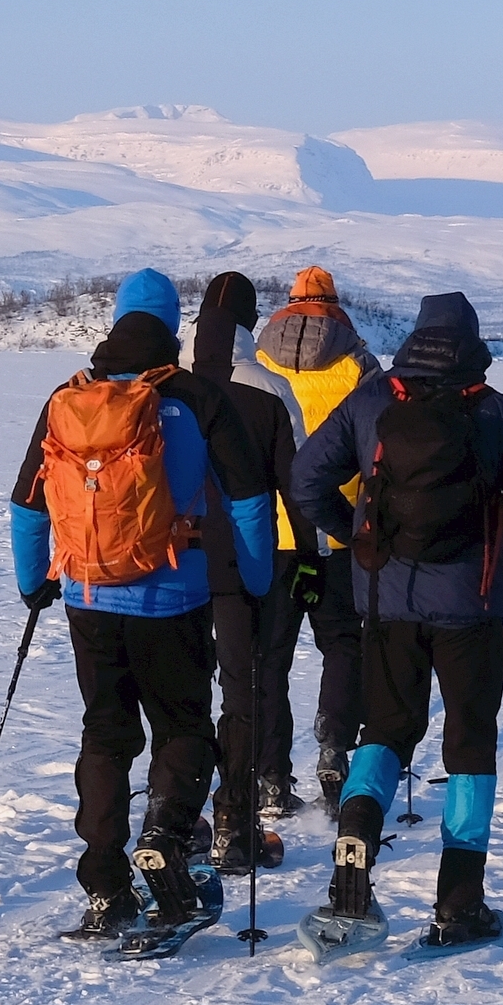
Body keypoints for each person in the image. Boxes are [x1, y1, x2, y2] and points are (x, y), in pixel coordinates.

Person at [287, 290, 503, 945]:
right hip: (472, 608)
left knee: (386, 730)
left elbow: (306, 476)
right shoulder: (496, 413)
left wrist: (359, 537)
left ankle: (353, 852)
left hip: (389, 604)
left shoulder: (373, 402)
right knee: (470, 745)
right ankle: (460, 904)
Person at [8, 268, 278, 937]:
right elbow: (249, 499)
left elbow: (26, 506)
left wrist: (34, 582)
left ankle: (105, 886)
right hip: (173, 598)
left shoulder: (67, 399)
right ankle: (164, 833)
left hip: (88, 597)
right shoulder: (197, 396)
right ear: (170, 327)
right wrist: (255, 577)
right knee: (184, 727)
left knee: (105, 734)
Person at [250, 266, 374, 816]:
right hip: (338, 530)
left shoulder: (259, 361)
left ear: (291, 303)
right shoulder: (359, 363)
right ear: (334, 303)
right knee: (343, 644)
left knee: (268, 657)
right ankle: (334, 750)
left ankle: (270, 776)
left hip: (270, 532)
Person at [190, 272, 303, 874]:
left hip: (171, 565)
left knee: (180, 697)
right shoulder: (269, 389)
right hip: (244, 565)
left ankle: (176, 819)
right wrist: (309, 554)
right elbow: (297, 483)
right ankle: (236, 820)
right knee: (244, 691)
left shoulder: (165, 386)